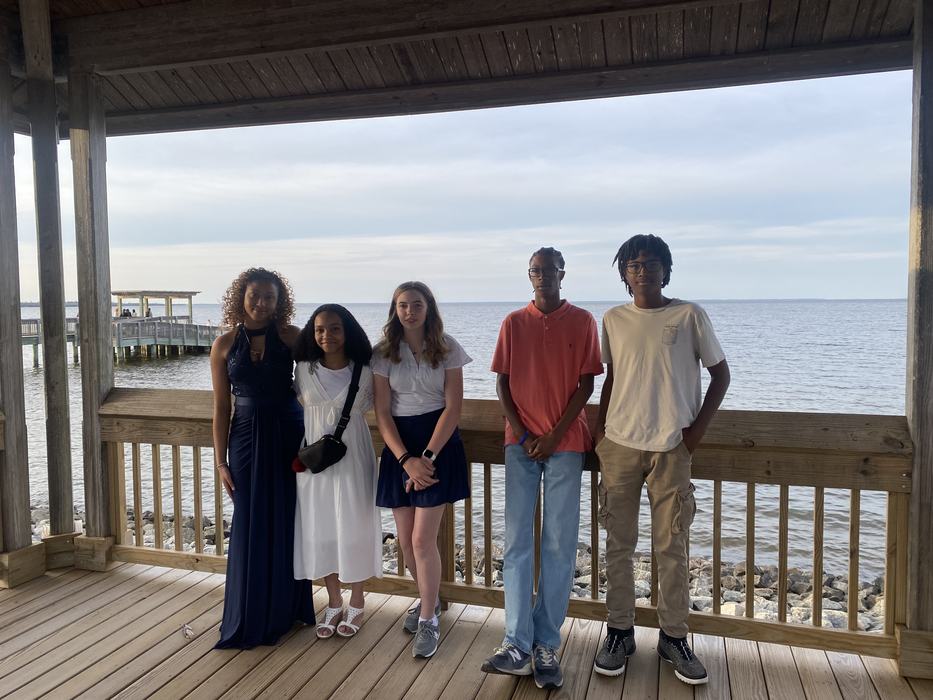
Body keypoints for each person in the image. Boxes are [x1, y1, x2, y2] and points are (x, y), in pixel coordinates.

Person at [593, 234, 730, 685]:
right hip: (619, 444)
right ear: (623, 274)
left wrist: (692, 437)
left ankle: (674, 636)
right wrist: (600, 434)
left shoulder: (689, 315)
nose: (642, 271)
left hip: (672, 448)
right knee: (619, 543)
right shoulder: (612, 319)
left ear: (666, 270)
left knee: (671, 547)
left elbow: (720, 375)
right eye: (633, 265)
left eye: (651, 264)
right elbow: (613, 378)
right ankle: (619, 631)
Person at [482, 247, 603, 690]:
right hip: (520, 444)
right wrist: (524, 432)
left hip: (567, 443)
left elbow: (587, 382)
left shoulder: (583, 320)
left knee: (558, 542)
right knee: (516, 542)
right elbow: (501, 381)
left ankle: (547, 643)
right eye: (536, 271)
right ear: (529, 275)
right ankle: (516, 642)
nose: (542, 276)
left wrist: (553, 436)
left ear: (562, 274)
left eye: (550, 270)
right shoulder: (514, 323)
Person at [210, 267, 315, 648]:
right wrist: (220, 461)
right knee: (250, 519)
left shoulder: (292, 336)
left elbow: (324, 375)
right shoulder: (223, 344)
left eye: (269, 297)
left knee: (287, 517)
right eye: (254, 295)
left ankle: (287, 609)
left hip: (288, 432)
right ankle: (249, 614)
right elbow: (221, 407)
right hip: (244, 437)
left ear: (279, 302)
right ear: (241, 296)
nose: (260, 302)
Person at [372, 281, 471, 659]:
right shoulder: (383, 353)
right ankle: (428, 600)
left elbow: (454, 407)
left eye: (416, 304)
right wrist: (405, 460)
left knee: (421, 541)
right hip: (400, 446)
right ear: (394, 310)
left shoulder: (448, 348)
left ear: (428, 307)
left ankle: (429, 617)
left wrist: (427, 457)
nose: (409, 311)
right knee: (404, 542)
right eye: (402, 305)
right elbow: (382, 412)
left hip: (438, 445)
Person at [292, 304, 382, 639]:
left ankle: (357, 600)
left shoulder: (365, 371)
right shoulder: (303, 370)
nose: (326, 335)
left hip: (355, 456)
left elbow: (383, 407)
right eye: (319, 329)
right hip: (315, 462)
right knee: (322, 526)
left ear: (348, 331)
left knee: (354, 525)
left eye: (334, 328)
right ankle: (333, 599)